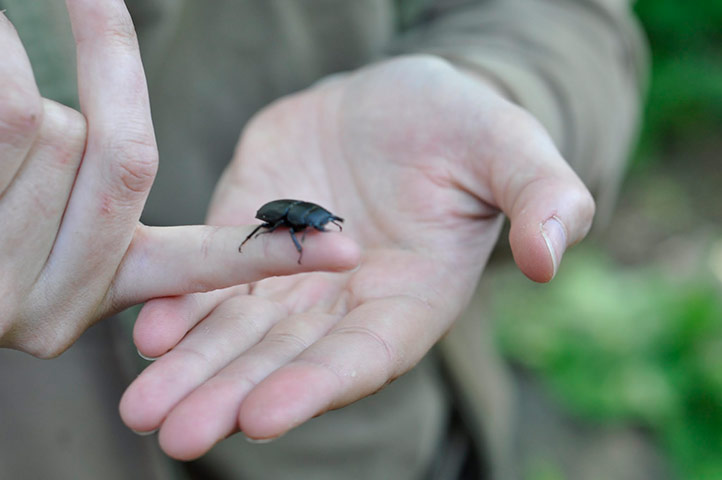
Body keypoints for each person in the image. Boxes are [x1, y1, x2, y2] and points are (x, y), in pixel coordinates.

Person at [0, 0, 646, 478]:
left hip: (374, 452)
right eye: (315, 226)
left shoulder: (309, 219)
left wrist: (502, 85)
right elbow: (280, 223)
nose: (313, 230)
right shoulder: (288, 221)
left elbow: (567, 18)